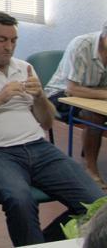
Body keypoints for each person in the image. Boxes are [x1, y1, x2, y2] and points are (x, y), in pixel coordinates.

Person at [0, 12, 104, 246]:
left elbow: (46, 122)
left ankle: (44, 243)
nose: (9, 47)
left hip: (38, 147)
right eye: (2, 40)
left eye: (13, 40)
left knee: (97, 204)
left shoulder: (24, 68)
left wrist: (40, 97)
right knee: (20, 200)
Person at [44, 23, 107, 186]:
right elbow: (72, 89)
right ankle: (90, 168)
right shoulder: (82, 45)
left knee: (96, 112)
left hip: (94, 93)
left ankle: (89, 150)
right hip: (61, 94)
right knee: (95, 115)